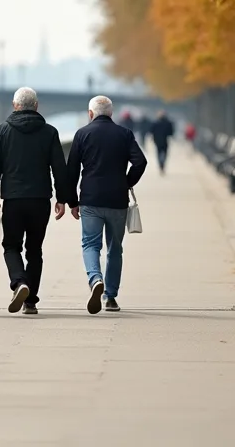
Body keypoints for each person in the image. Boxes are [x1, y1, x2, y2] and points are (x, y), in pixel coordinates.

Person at [0, 87, 73, 315]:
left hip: (13, 199)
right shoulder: (49, 132)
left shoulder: (1, 132)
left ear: (15, 106)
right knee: (34, 250)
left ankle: (19, 282)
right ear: (36, 106)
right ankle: (31, 300)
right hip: (40, 199)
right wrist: (62, 198)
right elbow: (59, 169)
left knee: (10, 245)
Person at [67, 95, 148, 314]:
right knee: (115, 249)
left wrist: (72, 201)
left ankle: (95, 279)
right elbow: (140, 161)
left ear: (90, 114)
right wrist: (126, 182)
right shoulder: (124, 134)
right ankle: (110, 296)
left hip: (91, 199)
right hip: (117, 200)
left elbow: (72, 170)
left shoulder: (82, 134)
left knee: (90, 244)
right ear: (111, 114)